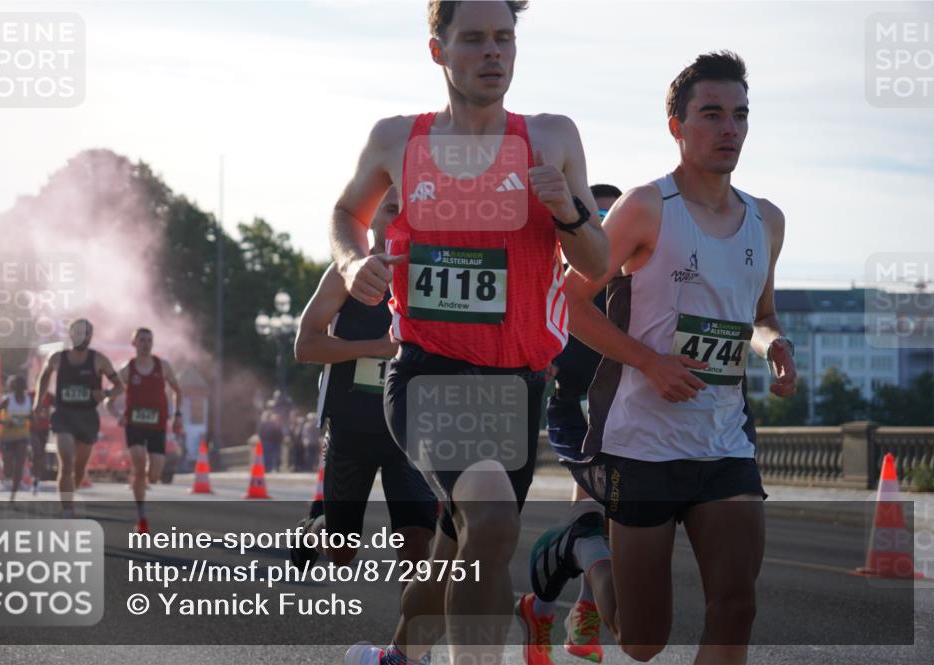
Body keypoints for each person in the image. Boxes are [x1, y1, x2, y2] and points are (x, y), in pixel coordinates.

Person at [335, 3, 609, 664]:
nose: (493, 52)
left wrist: (567, 211)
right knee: (491, 521)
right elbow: (347, 211)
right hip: (429, 373)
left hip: (517, 386)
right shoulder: (397, 140)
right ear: (438, 50)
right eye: (475, 39)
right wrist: (351, 264)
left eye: (505, 38)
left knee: (460, 547)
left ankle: (398, 656)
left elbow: (597, 262)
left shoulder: (552, 138)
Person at [533, 52, 797, 665]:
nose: (729, 128)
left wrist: (775, 346)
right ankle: (585, 549)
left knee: (736, 605)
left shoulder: (767, 220)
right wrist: (649, 363)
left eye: (740, 115)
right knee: (642, 639)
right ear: (677, 125)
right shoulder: (647, 206)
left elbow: (761, 316)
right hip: (643, 444)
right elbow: (569, 301)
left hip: (724, 441)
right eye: (712, 114)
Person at [291, 186, 437, 587]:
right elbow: (305, 346)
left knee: (416, 541)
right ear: (370, 219)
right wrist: (378, 347)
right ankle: (312, 529)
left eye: (409, 211)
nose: (400, 218)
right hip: (352, 428)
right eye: (390, 209)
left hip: (410, 431)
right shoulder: (345, 274)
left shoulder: (433, 275)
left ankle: (409, 629)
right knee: (342, 551)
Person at [515, 183, 622, 665]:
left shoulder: (638, 280)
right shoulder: (554, 276)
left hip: (628, 411)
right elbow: (523, 326)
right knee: (597, 513)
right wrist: (540, 356)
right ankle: (583, 612)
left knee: (610, 519)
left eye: (613, 218)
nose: (605, 225)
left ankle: (541, 608)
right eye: (597, 216)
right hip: (575, 410)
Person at [34, 319, 124, 516]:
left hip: (87, 417)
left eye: (86, 333)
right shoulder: (57, 358)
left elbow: (120, 386)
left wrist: (106, 394)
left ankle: (70, 495)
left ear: (90, 336)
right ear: (70, 334)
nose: (81, 336)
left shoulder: (99, 360)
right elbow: (44, 376)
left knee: (79, 468)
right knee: (66, 463)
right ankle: (67, 509)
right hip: (63, 416)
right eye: (77, 332)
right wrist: (38, 402)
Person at [107, 327, 183, 534]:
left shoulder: (163, 366)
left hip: (157, 426)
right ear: (134, 344)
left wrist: (178, 416)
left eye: (149, 340)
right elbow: (109, 401)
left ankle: (139, 478)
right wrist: (119, 416)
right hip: (135, 426)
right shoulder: (127, 370)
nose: (146, 344)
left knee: (154, 475)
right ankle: (141, 518)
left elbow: (177, 390)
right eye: (142, 340)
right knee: (140, 466)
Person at [0, 375, 34, 505]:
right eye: (17, 386)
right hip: (7, 437)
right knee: (8, 470)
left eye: (22, 386)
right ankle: (1, 464)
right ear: (13, 387)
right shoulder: (7, 400)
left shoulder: (29, 400)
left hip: (22, 436)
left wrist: (33, 418)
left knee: (20, 465)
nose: (20, 389)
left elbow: (32, 418)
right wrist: (5, 422)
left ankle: (13, 496)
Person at [28, 388, 54, 495]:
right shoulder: (29, 395)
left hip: (44, 429)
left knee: (41, 454)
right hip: (31, 428)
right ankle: (32, 474)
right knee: (36, 450)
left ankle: (36, 479)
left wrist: (53, 420)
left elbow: (60, 407)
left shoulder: (49, 396)